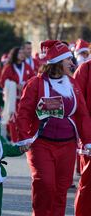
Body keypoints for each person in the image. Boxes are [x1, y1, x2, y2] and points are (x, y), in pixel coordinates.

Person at [15, 40, 91, 216]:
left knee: (61, 191)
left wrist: (87, 141)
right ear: (57, 61)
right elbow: (24, 112)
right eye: (68, 60)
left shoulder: (72, 85)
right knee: (45, 185)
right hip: (42, 143)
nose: (72, 63)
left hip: (67, 144)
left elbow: (82, 114)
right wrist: (24, 137)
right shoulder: (35, 83)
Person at [0, 47, 34, 142]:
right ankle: (15, 141)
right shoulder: (8, 67)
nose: (22, 54)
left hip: (24, 97)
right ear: (15, 54)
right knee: (13, 119)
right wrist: (14, 85)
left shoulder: (27, 67)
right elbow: (2, 82)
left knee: (24, 119)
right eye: (20, 53)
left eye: (23, 53)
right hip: (13, 98)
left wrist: (25, 85)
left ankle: (23, 139)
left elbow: (33, 80)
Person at [73, 49, 91, 216]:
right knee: (87, 182)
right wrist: (85, 137)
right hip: (89, 136)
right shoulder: (85, 69)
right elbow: (79, 107)